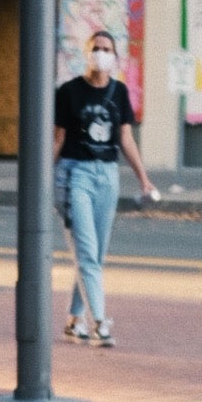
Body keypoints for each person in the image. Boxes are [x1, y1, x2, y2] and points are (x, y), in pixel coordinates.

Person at [54, 30, 157, 348]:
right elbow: (57, 138)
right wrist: (42, 178)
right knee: (86, 251)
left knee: (94, 255)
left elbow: (125, 138)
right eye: (95, 48)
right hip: (75, 175)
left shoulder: (120, 92)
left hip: (107, 176)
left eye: (107, 49)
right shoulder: (69, 92)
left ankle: (74, 320)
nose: (101, 53)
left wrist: (143, 178)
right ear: (87, 53)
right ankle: (99, 323)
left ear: (115, 56)